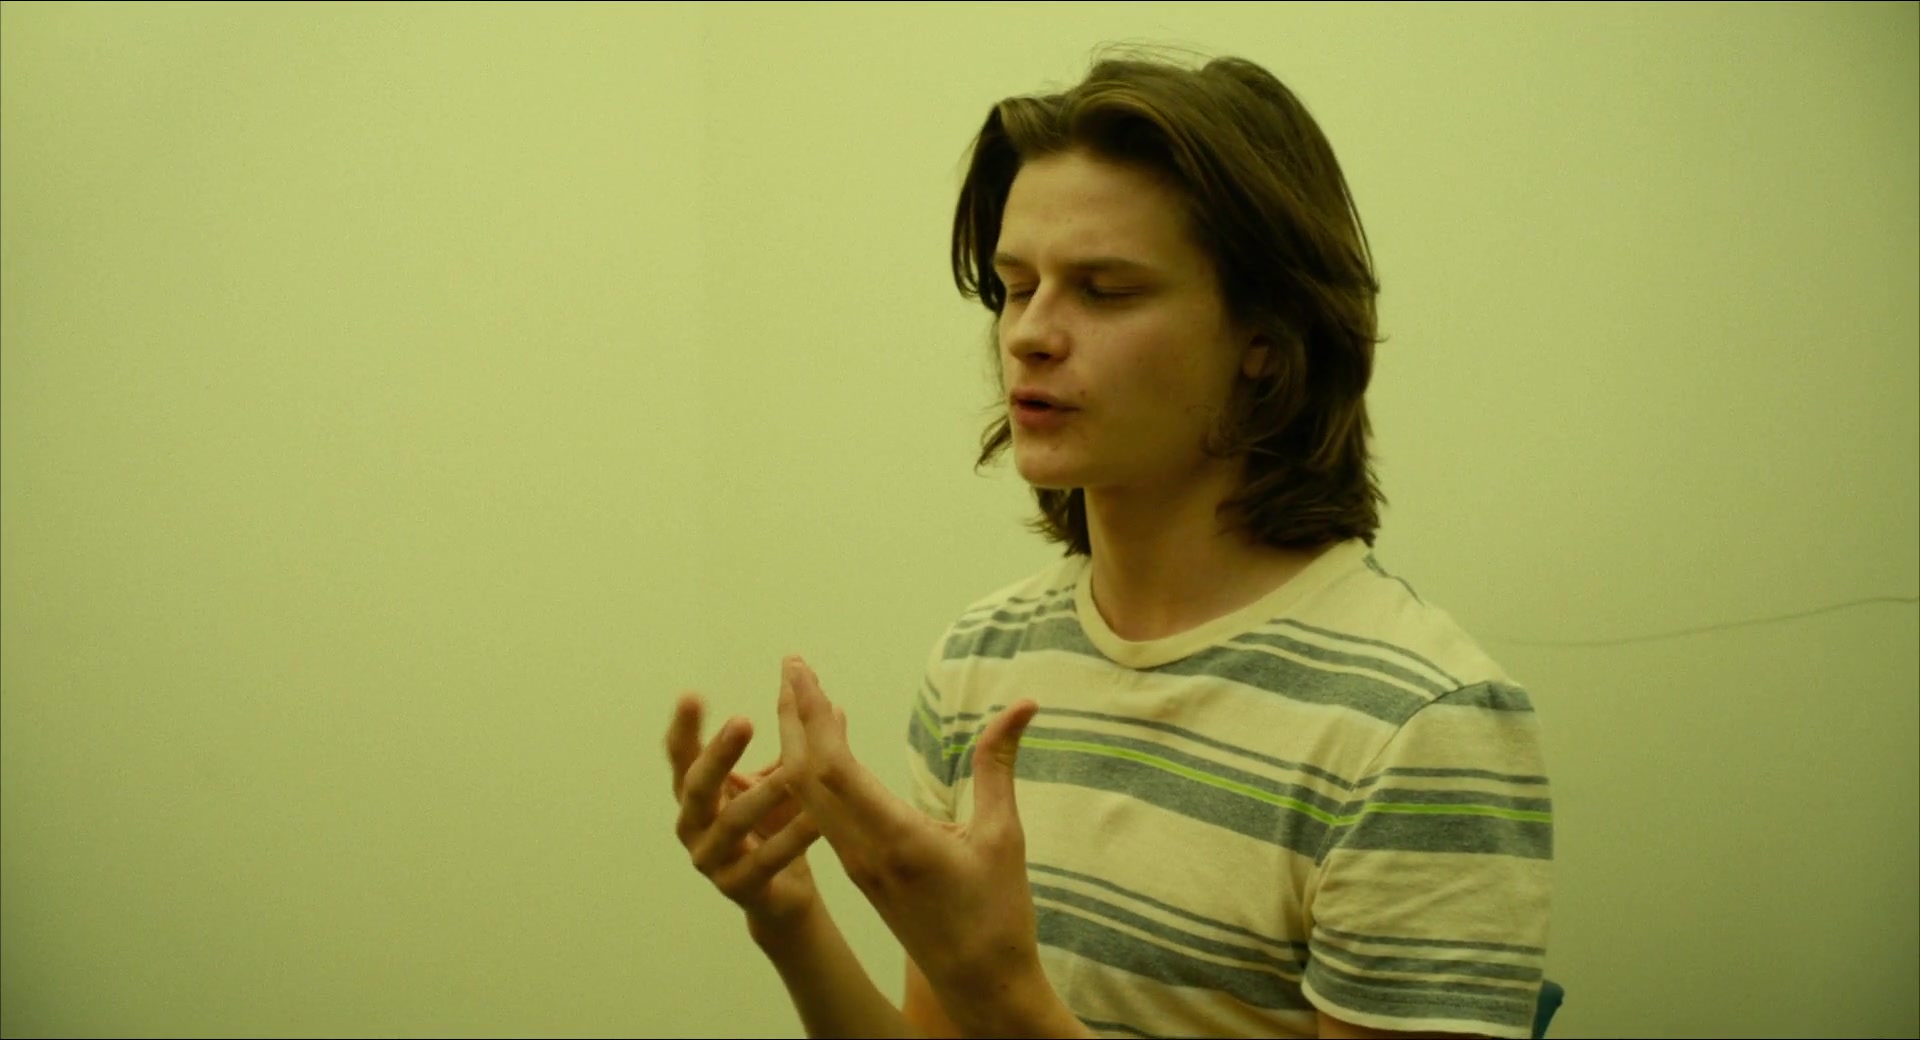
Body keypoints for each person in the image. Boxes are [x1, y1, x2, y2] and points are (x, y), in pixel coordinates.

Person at [666, 48, 1552, 1040]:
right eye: (1016, 287)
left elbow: (996, 999)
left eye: (1105, 289)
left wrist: (999, 982)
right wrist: (788, 917)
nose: (1029, 334)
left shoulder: (1418, 723)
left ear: (1265, 339)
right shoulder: (982, 662)